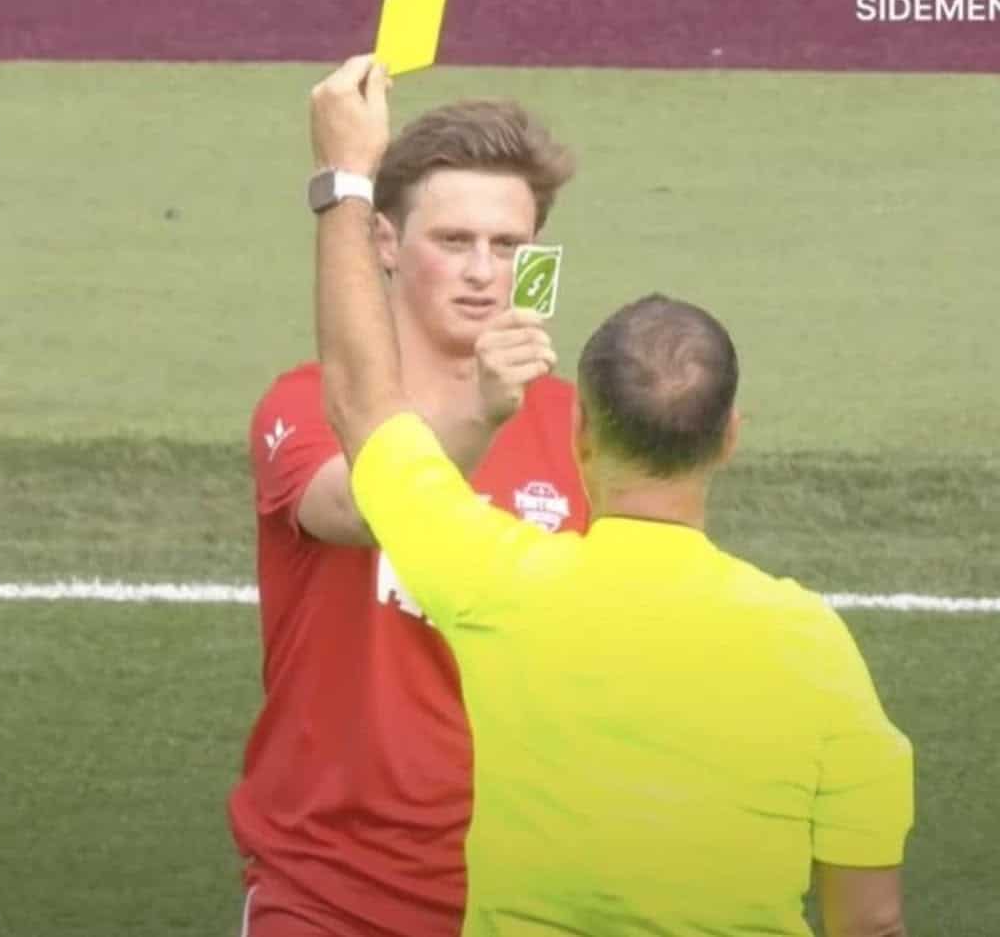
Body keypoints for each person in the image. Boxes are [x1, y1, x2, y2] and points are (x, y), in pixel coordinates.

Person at [308, 54, 914, 937]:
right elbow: (871, 924)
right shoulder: (816, 646)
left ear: (580, 431)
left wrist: (345, 178)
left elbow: (365, 407)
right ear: (730, 436)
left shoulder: (497, 585)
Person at [228, 75, 590, 935]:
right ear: (385, 243)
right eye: (454, 240)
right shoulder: (302, 406)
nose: (482, 271)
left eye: (507, 244)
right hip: (327, 893)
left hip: (527, 894)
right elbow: (364, 510)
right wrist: (482, 415)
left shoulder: (583, 427)